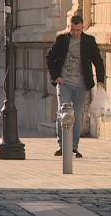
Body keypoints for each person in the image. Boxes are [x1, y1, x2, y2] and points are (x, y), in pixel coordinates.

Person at [45, 15, 106, 158]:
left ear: (82, 28)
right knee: (62, 114)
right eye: (73, 30)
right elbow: (49, 58)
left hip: (81, 85)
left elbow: (98, 61)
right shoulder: (62, 40)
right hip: (64, 83)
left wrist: (100, 80)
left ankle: (73, 147)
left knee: (77, 116)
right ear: (69, 27)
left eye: (78, 30)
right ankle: (62, 145)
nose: (75, 33)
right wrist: (56, 76)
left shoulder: (89, 42)